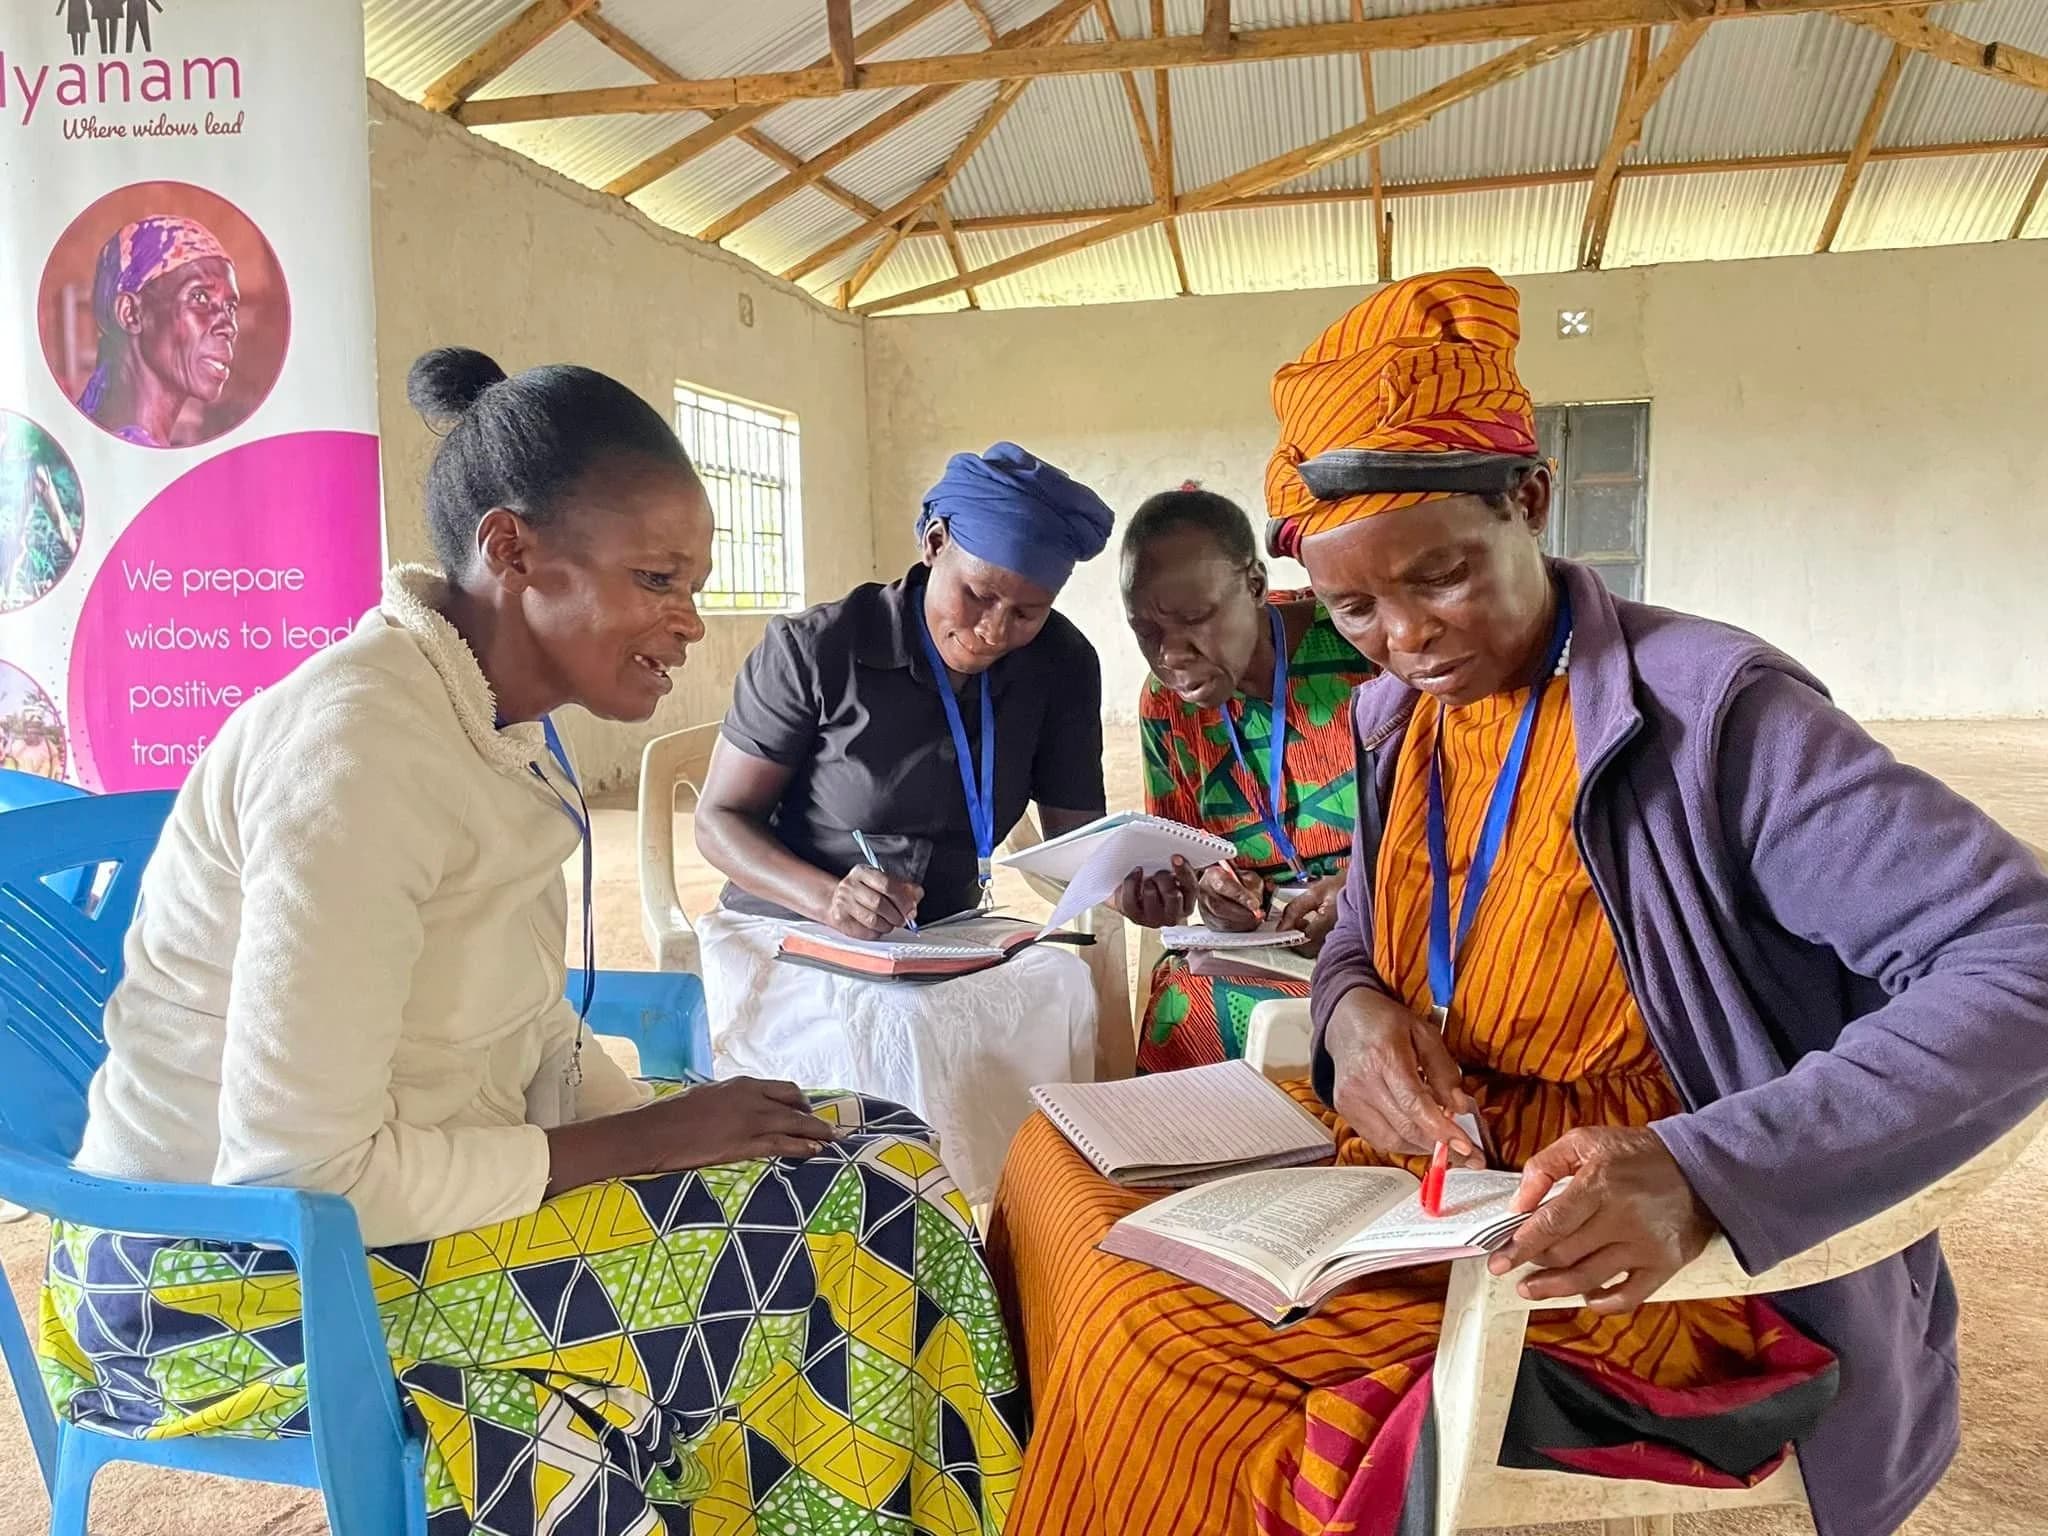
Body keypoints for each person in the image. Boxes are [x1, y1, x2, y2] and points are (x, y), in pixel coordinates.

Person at [987, 269, 2048, 1536]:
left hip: (1621, 1253)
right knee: (1055, 1179)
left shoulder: (1709, 718)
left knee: (1167, 1363)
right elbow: (1362, 953)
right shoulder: (1399, 723)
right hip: (1429, 1185)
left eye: (1437, 576)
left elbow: (2018, 957)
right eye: (1353, 608)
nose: (1405, 639)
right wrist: (1354, 1021)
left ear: (1528, 500)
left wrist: (1703, 1170)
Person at [42, 349, 1026, 1536]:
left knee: (882, 1147)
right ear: (510, 552)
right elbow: (301, 1171)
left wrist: (654, 1132)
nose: (687, 622)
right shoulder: (358, 755)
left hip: (386, 1215)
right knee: (818, 1232)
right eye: (655, 577)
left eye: (692, 580)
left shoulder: (484, 725)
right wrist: (646, 1138)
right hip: (223, 1283)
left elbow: (517, 1019)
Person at [694, 442, 1114, 1205]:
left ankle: (1014, 1213)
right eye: (979, 596)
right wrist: (827, 898)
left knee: (1061, 983)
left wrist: (1132, 877)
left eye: (1027, 612)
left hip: (950, 933)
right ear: (934, 543)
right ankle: (888, 1225)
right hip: (796, 929)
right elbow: (719, 822)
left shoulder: (1059, 664)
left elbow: (1071, 847)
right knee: (904, 1031)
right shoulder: (820, 648)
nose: (994, 630)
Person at [1116, 485, 1375, 1072]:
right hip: (1262, 942)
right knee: (1184, 1001)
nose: (1171, 655)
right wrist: (1215, 892)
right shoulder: (1168, 704)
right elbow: (1189, 855)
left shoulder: (1363, 654)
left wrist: (1361, 891)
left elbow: (1446, 817)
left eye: (1194, 620)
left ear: (1255, 586)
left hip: (1380, 920)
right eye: (1146, 631)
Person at [77, 215, 240, 449]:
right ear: (130, 313)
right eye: (199, 297)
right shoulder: (132, 456)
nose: (229, 327)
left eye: (230, 307)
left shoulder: (116, 444)